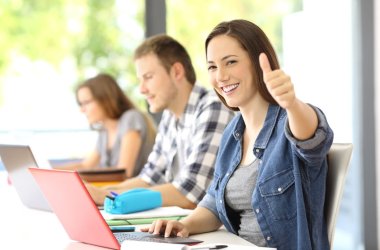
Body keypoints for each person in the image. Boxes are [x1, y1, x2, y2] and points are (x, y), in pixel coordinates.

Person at [143, 20, 334, 250]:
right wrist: (183, 225)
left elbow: (312, 138)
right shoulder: (232, 134)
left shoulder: (291, 121)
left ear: (257, 63)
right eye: (212, 67)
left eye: (231, 62)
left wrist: (292, 103)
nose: (221, 76)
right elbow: (214, 202)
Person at [85, 34, 235, 209]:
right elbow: (149, 178)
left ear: (177, 72)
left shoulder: (212, 106)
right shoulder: (170, 117)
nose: (141, 89)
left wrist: (106, 196)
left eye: (148, 77)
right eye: (140, 80)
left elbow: (191, 193)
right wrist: (101, 192)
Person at [55, 73, 156, 178]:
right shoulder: (105, 131)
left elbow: (123, 173)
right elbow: (85, 165)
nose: (82, 110)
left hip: (136, 191)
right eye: (81, 104)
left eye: (86, 103)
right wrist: (48, 171)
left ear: (105, 99)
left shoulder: (131, 118)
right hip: (116, 190)